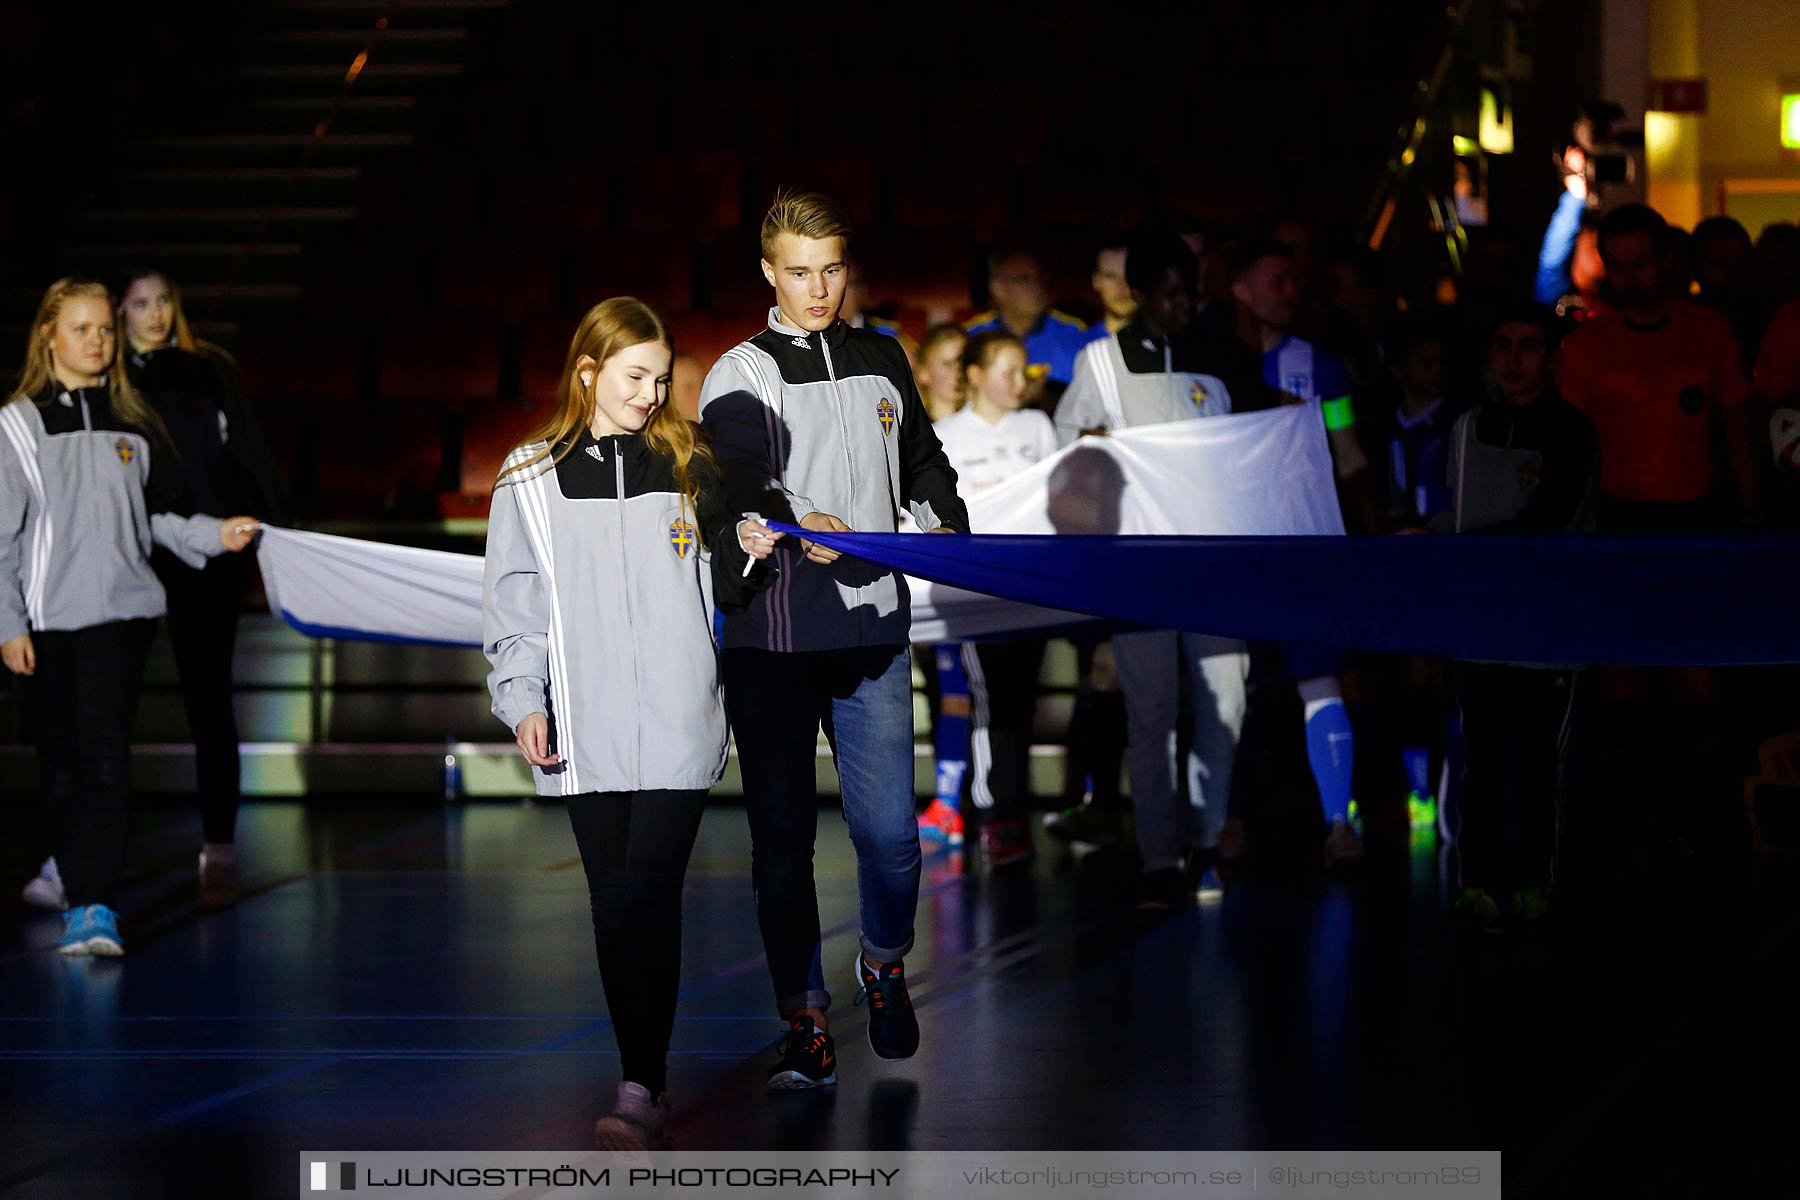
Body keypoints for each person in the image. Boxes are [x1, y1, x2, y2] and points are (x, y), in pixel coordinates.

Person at [482, 296, 781, 1149]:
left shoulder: (693, 463)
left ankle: (641, 1085)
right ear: (588, 371)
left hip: (680, 725)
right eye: (634, 376)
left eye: (660, 376)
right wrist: (523, 699)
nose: (652, 393)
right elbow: (515, 606)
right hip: (584, 727)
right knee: (614, 908)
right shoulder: (528, 477)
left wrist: (749, 553)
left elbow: (725, 578)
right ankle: (640, 1070)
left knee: (648, 895)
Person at [699, 191, 969, 1088]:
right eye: (800, 272)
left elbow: (924, 459)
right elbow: (740, 476)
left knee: (893, 837)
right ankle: (805, 1020)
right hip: (770, 640)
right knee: (783, 843)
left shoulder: (883, 355)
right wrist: (790, 516)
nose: (819, 290)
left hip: (871, 630)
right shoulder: (740, 372)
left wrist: (940, 518)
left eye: (832, 271)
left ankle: (883, 961)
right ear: (769, 273)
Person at [1, 277, 260, 954]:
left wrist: (217, 533)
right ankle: (77, 887)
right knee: (63, 767)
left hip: (124, 615)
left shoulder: (137, 421)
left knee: (108, 758)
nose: (96, 340)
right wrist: (8, 623)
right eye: (81, 328)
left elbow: (163, 519)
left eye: (103, 330)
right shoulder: (19, 424)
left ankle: (94, 909)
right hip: (47, 622)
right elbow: (2, 536)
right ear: (49, 336)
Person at [1055, 229, 1258, 910]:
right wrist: (1091, 450)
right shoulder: (1102, 363)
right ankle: (1161, 857)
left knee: (1225, 702)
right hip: (1138, 566)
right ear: (1138, 294)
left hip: (1213, 565)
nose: (1181, 305)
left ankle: (1207, 838)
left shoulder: (1224, 357)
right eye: (1167, 293)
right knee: (1151, 712)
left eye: (1189, 292)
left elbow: (1258, 446)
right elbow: (1065, 456)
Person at [114, 267, 290, 907]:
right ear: (121, 311)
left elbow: (248, 450)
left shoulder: (208, 366)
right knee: (110, 708)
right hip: (131, 554)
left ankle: (219, 847)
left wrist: (283, 537)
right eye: (141, 303)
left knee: (210, 703)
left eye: (164, 300)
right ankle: (85, 855)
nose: (155, 313)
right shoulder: (109, 378)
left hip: (211, 554)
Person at [1443, 303, 1599, 932]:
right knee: (1480, 756)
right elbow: (1453, 518)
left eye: (1528, 346)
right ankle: (1478, 883)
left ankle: (1535, 883)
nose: (1513, 358)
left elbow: (1550, 521)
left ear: (1552, 357)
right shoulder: (1466, 428)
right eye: (1502, 344)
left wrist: (1469, 551)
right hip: (1477, 624)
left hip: (1546, 624)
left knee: (1537, 759)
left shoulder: (1573, 431)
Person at [1230, 237, 1373, 865]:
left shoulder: (1325, 368)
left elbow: (1350, 454)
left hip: (1308, 549)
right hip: (1229, 552)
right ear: (1238, 287)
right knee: (1227, 690)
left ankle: (1339, 823)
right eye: (1275, 280)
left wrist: (1368, 538)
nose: (1289, 293)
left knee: (1320, 679)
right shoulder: (1210, 366)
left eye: (1294, 281)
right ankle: (1225, 824)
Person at [933, 330, 1058, 872]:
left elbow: (1060, 494)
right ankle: (995, 814)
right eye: (1006, 371)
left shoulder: (1038, 426)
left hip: (1029, 587)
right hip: (975, 592)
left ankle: (1011, 812)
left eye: (1023, 371)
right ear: (977, 376)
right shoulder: (945, 435)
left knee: (1021, 698)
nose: (1018, 382)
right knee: (991, 696)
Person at [1556, 203, 1759, 533]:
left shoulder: (1708, 331)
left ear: (1666, 260)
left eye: (1640, 264)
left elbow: (1737, 424)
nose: (1630, 279)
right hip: (1616, 514)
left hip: (1697, 510)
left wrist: (1750, 506)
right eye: (1618, 267)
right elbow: (1569, 444)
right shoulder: (1586, 345)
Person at [964, 238, 1090, 408]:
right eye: (1024, 279)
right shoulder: (974, 335)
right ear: (997, 288)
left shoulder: (1073, 333)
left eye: (1039, 277)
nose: (1036, 286)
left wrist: (1046, 396)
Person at [1085, 237, 1137, 341]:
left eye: (1129, 275)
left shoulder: (1169, 346)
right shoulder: (1076, 349)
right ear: (1096, 281)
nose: (1122, 286)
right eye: (1110, 276)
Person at [913, 323, 965, 422]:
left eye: (962, 362)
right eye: (947, 364)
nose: (958, 372)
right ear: (923, 373)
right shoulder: (913, 430)